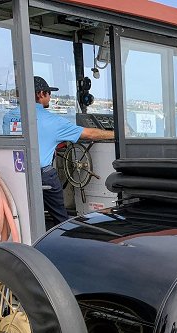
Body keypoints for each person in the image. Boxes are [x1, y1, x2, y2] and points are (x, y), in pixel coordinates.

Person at [33, 76, 114, 226]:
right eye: (48, 93)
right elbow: (90, 134)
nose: (50, 96)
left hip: (19, 175)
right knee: (60, 218)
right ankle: (63, 231)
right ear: (41, 94)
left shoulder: (9, 117)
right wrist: (118, 134)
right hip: (44, 176)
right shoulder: (53, 121)